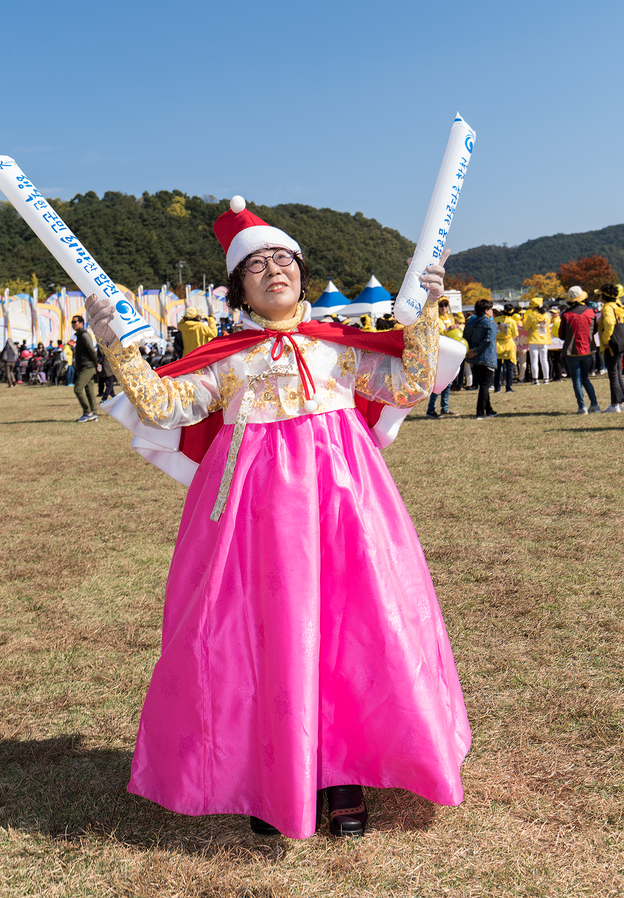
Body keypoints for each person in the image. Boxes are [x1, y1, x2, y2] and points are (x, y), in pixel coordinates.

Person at [86, 199, 470, 841]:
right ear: (239, 285)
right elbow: (161, 406)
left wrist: (429, 311)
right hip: (254, 514)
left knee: (353, 628)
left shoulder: (337, 349)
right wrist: (113, 345)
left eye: (284, 259)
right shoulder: (229, 358)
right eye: (257, 264)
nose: (274, 270)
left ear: (300, 271)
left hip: (346, 504)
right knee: (266, 632)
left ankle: (342, 775)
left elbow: (409, 386)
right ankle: (274, 776)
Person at [559, 285, 601, 415]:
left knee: (576, 380)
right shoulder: (591, 312)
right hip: (588, 350)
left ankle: (582, 407)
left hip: (572, 352)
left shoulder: (566, 314)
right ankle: (594, 405)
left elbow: (561, 335)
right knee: (585, 379)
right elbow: (595, 330)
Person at [463, 299, 497, 420]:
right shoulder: (489, 323)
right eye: (491, 309)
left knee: (483, 385)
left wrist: (471, 351)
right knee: (485, 386)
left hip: (474, 359)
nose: (492, 311)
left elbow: (464, 339)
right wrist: (476, 351)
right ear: (486, 311)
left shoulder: (470, 323)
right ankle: (480, 412)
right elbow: (488, 341)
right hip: (486, 357)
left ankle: (489, 410)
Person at [426, 298, 457, 417]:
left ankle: (445, 408)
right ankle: (431, 409)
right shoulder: (435, 319)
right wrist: (447, 330)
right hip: (439, 352)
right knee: (439, 382)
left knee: (448, 381)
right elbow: (435, 335)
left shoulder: (450, 318)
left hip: (450, 351)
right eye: (441, 305)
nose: (444, 307)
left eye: (446, 304)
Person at [597, 283, 624, 412]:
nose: (599, 296)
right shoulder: (617, 306)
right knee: (618, 373)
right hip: (619, 343)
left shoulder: (607, 308)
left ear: (604, 296)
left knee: (613, 374)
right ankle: (622, 402)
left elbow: (609, 323)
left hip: (611, 344)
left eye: (600, 294)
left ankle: (614, 404)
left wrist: (606, 340)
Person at [70, 315, 99, 422]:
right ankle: (94, 413)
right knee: (89, 390)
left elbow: (92, 350)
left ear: (81, 323)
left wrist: (97, 364)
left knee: (77, 388)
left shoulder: (84, 335)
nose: (73, 324)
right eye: (72, 322)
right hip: (84, 366)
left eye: (75, 322)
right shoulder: (79, 335)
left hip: (88, 366)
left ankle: (87, 412)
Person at [523, 297, 551, 384]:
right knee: (544, 360)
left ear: (534, 307)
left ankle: (535, 379)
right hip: (544, 339)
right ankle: (546, 378)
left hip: (533, 340)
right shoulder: (547, 315)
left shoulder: (531, 316)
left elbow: (526, 328)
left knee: (534, 360)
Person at [494, 304, 518, 393]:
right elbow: (515, 334)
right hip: (508, 344)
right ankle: (508, 387)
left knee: (498, 368)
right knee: (509, 368)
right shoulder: (512, 321)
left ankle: (497, 388)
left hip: (498, 345)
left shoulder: (496, 319)